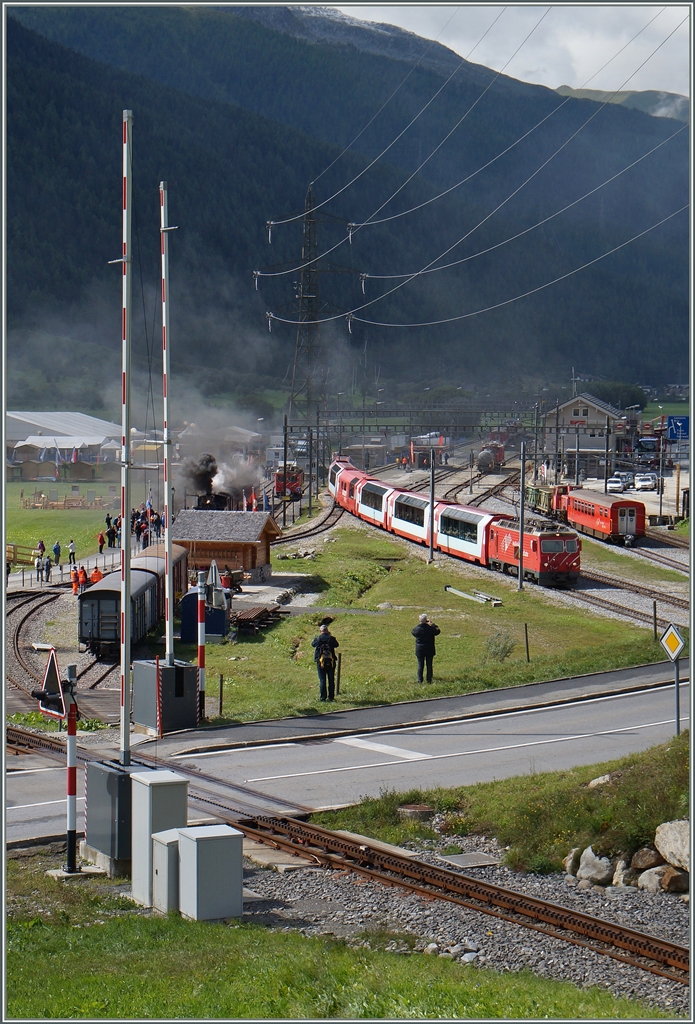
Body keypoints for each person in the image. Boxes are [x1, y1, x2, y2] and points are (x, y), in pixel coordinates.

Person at [311, 623, 339, 702]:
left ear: (320, 631)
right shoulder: (331, 638)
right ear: (327, 630)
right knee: (331, 679)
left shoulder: (317, 639)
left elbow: (313, 644)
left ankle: (323, 698)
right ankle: (331, 697)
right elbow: (337, 645)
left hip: (321, 662)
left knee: (322, 680)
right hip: (331, 662)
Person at [411, 613, 440, 684]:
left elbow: (413, 632)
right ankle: (429, 680)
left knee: (420, 665)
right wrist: (433, 624)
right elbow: (437, 631)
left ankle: (420, 680)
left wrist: (420, 623)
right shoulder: (430, 629)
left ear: (419, 620)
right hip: (429, 649)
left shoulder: (417, 629)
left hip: (420, 649)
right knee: (429, 665)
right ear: (426, 620)